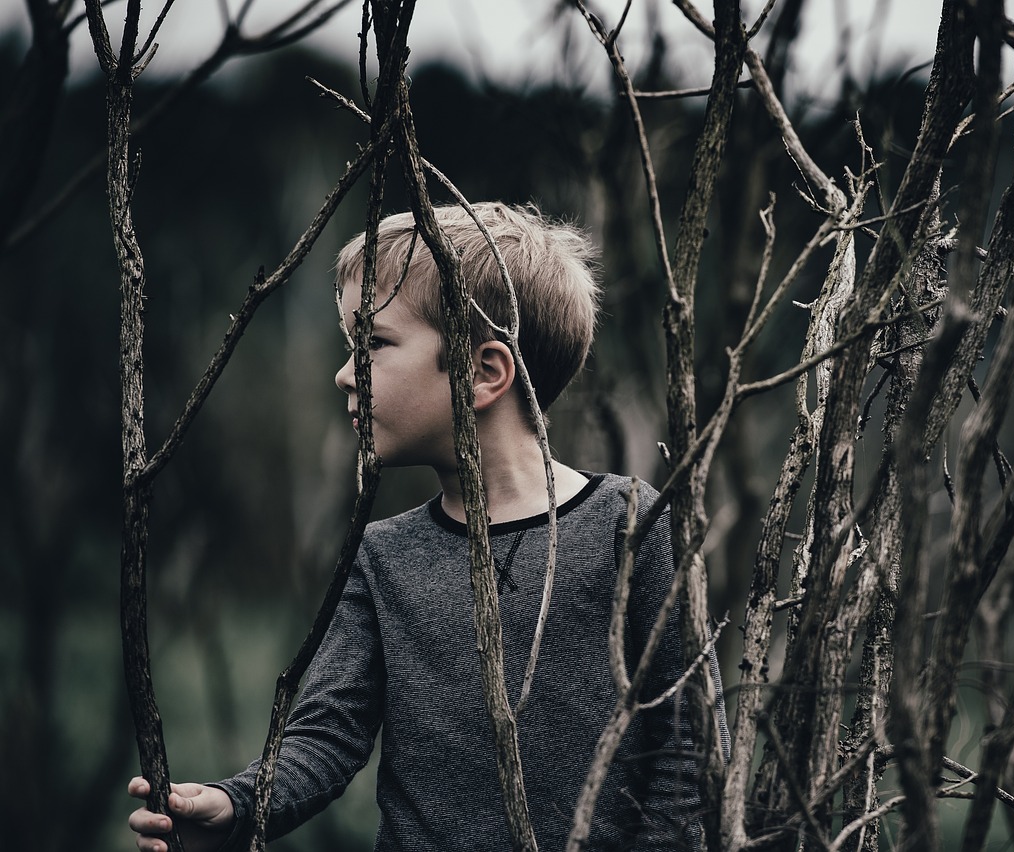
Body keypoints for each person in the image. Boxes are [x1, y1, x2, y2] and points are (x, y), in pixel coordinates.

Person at [127, 203, 729, 851]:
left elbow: (687, 752)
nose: (342, 373)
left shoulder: (633, 527)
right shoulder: (381, 557)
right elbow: (328, 734)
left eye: (373, 344)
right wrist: (237, 802)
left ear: (485, 372)